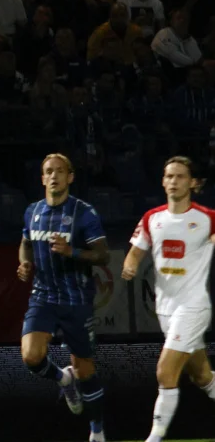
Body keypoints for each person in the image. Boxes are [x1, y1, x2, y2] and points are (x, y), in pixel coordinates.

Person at [17, 153, 110, 442]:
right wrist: (24, 263)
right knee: (31, 356)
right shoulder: (32, 211)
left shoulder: (84, 213)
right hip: (43, 296)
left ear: (70, 177)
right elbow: (25, 244)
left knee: (84, 368)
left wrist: (74, 252)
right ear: (42, 178)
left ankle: (97, 431)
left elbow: (103, 255)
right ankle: (62, 379)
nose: (54, 176)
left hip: (76, 298)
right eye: (48, 171)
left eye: (60, 171)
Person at [122, 156, 215, 442]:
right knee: (202, 377)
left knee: (165, 372)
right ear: (162, 181)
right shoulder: (152, 218)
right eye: (169, 176)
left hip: (194, 306)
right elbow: (136, 251)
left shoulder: (207, 218)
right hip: (165, 309)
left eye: (180, 177)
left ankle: (155, 438)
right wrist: (130, 263)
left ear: (193, 183)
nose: (173, 182)